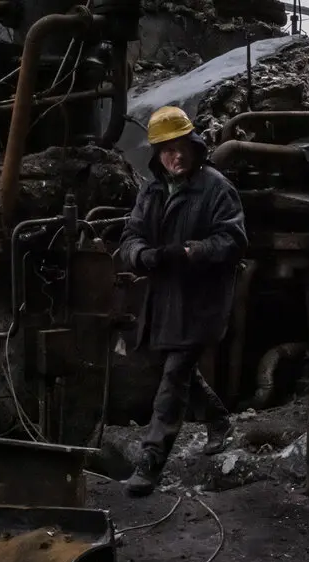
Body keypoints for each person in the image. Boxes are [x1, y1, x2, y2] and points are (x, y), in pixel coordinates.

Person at [119, 105, 248, 497]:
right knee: (177, 368)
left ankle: (150, 462)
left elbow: (234, 240)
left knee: (174, 376)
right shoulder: (152, 188)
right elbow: (131, 235)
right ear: (157, 154)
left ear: (193, 145)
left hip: (200, 299)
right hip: (164, 298)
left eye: (180, 147)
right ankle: (219, 421)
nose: (174, 156)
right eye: (165, 149)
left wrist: (192, 251)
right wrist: (143, 255)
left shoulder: (216, 187)